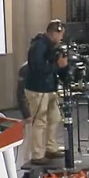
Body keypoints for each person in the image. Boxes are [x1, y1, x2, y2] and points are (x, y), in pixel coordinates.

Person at [22, 20, 69, 166]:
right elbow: (38, 69)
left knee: (54, 118)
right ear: (54, 33)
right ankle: (37, 154)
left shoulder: (52, 46)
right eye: (60, 34)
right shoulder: (38, 46)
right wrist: (57, 65)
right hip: (38, 89)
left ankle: (51, 147)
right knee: (40, 121)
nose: (62, 38)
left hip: (49, 89)